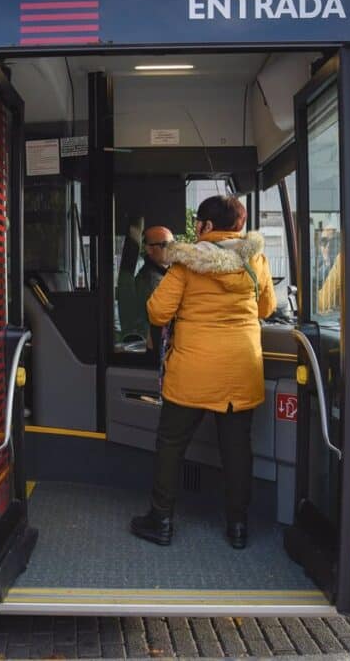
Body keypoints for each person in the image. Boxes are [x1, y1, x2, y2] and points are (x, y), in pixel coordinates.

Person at [130, 195, 277, 549]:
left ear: (207, 226)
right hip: (241, 370)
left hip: (193, 372)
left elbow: (157, 313)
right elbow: (267, 308)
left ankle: (161, 520)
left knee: (171, 443)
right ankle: (238, 527)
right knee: (237, 449)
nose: (195, 227)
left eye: (198, 221)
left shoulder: (185, 264)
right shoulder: (255, 261)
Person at [116, 219, 175, 346]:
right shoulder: (152, 282)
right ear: (149, 249)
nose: (172, 249)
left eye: (173, 244)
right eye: (165, 244)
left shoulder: (163, 275)